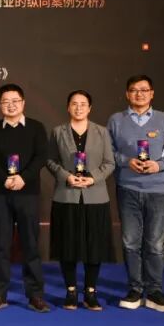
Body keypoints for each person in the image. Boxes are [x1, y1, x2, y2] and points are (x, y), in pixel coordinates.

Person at [107, 74, 164, 312]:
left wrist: (159, 165)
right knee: (130, 242)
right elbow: (108, 152)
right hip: (127, 188)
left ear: (152, 93)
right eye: (134, 90)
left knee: (156, 244)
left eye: (144, 90)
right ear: (127, 94)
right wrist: (126, 161)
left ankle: (155, 291)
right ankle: (135, 290)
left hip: (158, 189)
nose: (139, 94)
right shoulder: (116, 120)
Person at [0, 83, 49, 312]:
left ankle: (35, 295)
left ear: (23, 103)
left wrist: (23, 178)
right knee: (1, 245)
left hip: (28, 193)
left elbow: (41, 157)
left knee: (31, 245)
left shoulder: (36, 128)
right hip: (1, 194)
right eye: (6, 102)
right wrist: (5, 179)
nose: (11, 105)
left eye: (15, 101)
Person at [45, 90, 116, 311]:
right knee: (67, 245)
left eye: (83, 104)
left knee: (94, 246)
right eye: (74, 104)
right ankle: (71, 291)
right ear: (68, 107)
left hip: (95, 196)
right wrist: (66, 176)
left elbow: (109, 163)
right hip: (66, 195)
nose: (78, 108)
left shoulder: (102, 132)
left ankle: (91, 292)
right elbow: (50, 160)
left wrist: (92, 178)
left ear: (90, 108)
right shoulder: (58, 132)